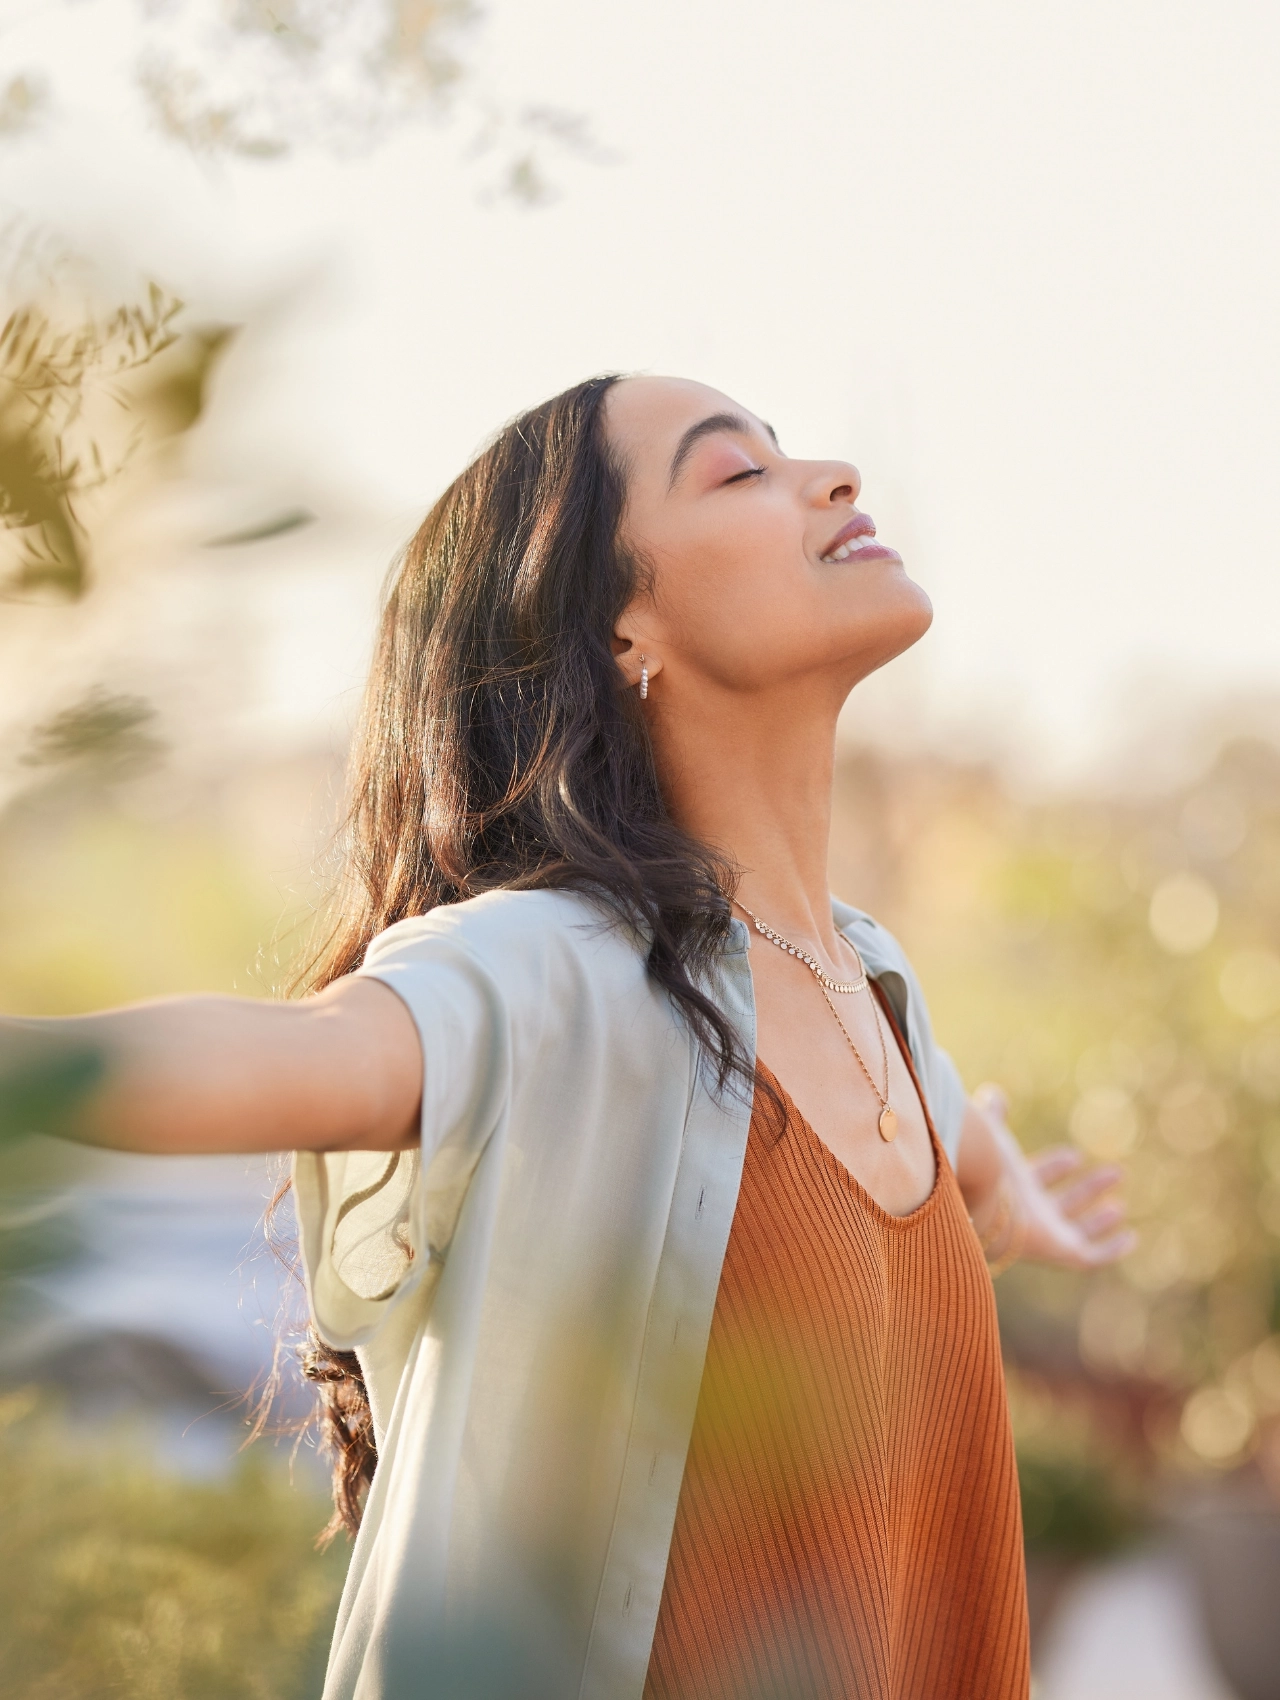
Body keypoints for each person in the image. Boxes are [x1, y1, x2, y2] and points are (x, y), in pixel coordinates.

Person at [0, 374, 1134, 1700]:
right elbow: (293, 1058)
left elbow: (930, 1131)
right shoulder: (555, 970)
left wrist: (994, 1188)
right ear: (619, 632)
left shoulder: (873, 981)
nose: (832, 476)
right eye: (738, 473)